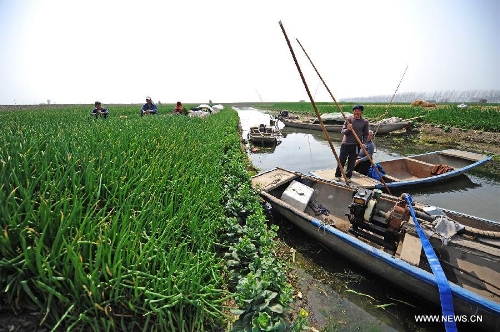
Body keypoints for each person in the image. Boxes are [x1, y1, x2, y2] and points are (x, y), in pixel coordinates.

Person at [334, 105, 369, 182]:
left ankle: (348, 176)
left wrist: (364, 143)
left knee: (352, 161)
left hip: (356, 145)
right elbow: (343, 131)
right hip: (346, 144)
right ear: (353, 112)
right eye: (355, 111)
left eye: (358, 111)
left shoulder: (365, 122)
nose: (356, 113)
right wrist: (348, 129)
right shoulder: (348, 119)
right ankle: (338, 175)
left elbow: (366, 134)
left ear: (361, 112)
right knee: (342, 160)